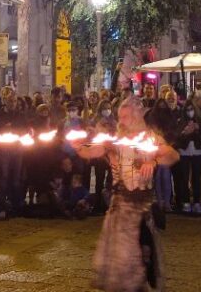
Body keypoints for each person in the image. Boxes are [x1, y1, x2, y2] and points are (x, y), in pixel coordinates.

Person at [74, 98, 180, 292]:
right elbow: (92, 151)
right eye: (120, 116)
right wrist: (79, 147)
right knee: (121, 259)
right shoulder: (116, 140)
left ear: (137, 115)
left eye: (125, 116)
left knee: (142, 255)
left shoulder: (150, 138)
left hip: (142, 206)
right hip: (121, 205)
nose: (121, 120)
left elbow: (173, 155)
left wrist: (153, 162)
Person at [174, 100, 201, 214]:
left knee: (196, 178)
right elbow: (177, 137)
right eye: (187, 110)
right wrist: (185, 133)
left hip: (197, 152)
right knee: (184, 178)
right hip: (184, 152)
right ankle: (186, 202)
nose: (190, 112)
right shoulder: (181, 121)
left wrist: (198, 129)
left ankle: (197, 202)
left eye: (191, 109)